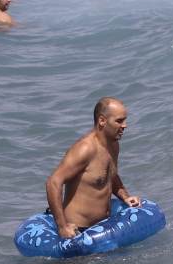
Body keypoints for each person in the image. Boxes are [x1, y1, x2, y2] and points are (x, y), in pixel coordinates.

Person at [45, 97, 142, 239]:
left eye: (125, 120)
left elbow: (109, 175)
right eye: (119, 121)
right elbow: (53, 182)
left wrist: (125, 197)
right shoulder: (85, 149)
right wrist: (62, 227)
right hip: (79, 231)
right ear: (102, 121)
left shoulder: (113, 145)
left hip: (103, 227)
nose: (125, 125)